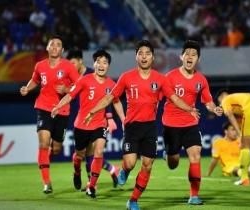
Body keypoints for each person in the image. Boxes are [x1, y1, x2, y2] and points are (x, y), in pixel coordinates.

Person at [84, 40, 199, 210]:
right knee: (130, 163)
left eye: (147, 53)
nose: (144, 56)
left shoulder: (160, 79)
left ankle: (133, 200)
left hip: (150, 127)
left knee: (147, 165)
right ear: (136, 57)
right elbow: (110, 97)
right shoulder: (126, 77)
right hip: (132, 126)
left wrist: (189, 108)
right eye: (141, 53)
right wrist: (93, 111)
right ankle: (123, 170)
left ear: (153, 57)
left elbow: (173, 98)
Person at [51, 49, 125, 198]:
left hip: (99, 124)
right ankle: (76, 171)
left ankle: (91, 186)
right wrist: (58, 107)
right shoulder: (84, 80)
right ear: (94, 64)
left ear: (108, 66)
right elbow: (70, 96)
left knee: (98, 152)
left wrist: (123, 120)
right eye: (98, 62)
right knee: (80, 156)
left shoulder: (112, 84)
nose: (101, 65)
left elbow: (116, 102)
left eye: (105, 62)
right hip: (82, 125)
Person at [162, 40, 223, 205]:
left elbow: (208, 101)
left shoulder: (201, 80)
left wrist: (214, 108)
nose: (190, 57)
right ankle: (168, 155)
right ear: (181, 56)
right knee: (173, 164)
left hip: (190, 124)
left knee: (195, 155)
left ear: (198, 59)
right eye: (187, 54)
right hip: (171, 124)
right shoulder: (170, 77)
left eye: (194, 54)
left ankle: (194, 195)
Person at [20, 35, 80, 194]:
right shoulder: (40, 65)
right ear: (47, 48)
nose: (54, 47)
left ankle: (48, 157)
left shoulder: (68, 67)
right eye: (51, 44)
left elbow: (79, 85)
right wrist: (27, 88)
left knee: (56, 149)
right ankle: (47, 182)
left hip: (62, 110)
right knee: (43, 142)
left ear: (62, 50)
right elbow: (35, 80)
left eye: (58, 45)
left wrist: (67, 90)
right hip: (44, 108)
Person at [66, 50, 120, 190]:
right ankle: (109, 169)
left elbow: (106, 97)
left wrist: (109, 117)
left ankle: (91, 184)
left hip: (96, 120)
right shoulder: (72, 76)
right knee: (81, 154)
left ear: (80, 61)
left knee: (94, 152)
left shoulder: (93, 73)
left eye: (72, 63)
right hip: (80, 118)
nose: (70, 66)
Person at [217, 90, 250, 185]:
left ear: (221, 98)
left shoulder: (225, 100)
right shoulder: (237, 99)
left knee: (245, 146)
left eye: (219, 101)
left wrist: (239, 133)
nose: (220, 104)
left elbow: (230, 115)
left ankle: (244, 178)